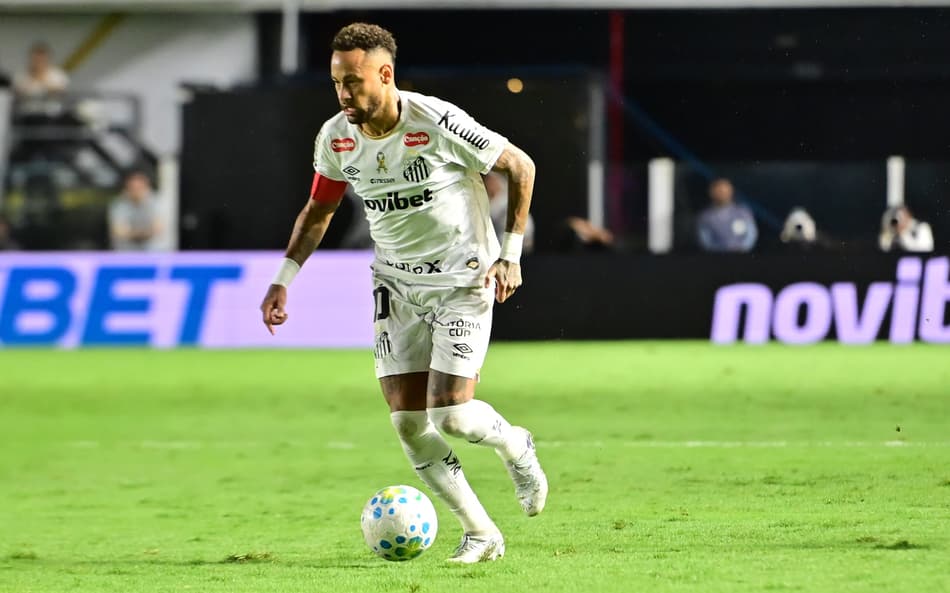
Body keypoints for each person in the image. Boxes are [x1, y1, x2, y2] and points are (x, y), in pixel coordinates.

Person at [258, 23, 547, 564]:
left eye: (353, 82)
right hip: (395, 285)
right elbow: (318, 211)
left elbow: (520, 166)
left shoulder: (435, 121)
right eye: (336, 83)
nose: (344, 94)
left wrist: (511, 254)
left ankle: (515, 443)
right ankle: (481, 533)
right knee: (409, 424)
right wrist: (283, 279)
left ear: (385, 74)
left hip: (461, 279)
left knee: (453, 416)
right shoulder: (336, 138)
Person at [696, 178, 758, 253]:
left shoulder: (743, 212)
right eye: (720, 191)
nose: (723, 194)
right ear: (712, 193)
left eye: (725, 191)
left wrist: (742, 249)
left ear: (731, 191)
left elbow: (751, 234)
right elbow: (706, 241)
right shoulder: (705, 217)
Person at [108, 170, 163, 251]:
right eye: (133, 188)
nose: (136, 191)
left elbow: (158, 228)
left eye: (139, 187)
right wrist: (144, 233)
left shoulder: (156, 202)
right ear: (127, 188)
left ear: (147, 187)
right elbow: (118, 231)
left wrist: (131, 233)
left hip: (152, 250)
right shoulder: (119, 204)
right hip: (125, 251)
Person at [484, 171, 534, 253]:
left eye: (490, 180)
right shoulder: (487, 199)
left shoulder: (508, 197)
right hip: (500, 245)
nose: (488, 184)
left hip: (520, 244)